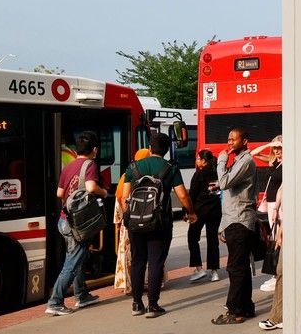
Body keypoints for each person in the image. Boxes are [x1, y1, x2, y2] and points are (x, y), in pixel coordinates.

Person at [119, 131, 195, 318]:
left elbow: (123, 197)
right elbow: (183, 195)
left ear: (150, 148)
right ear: (167, 149)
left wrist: (130, 216)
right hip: (160, 222)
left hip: (136, 223)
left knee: (137, 261)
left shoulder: (133, 167)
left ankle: (137, 304)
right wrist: (191, 212)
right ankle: (153, 305)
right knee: (155, 262)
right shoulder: (170, 169)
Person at [45, 131, 106, 316]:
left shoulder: (68, 166)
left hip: (64, 220)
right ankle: (55, 302)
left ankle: (82, 295)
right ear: (94, 150)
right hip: (78, 224)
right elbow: (91, 187)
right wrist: (102, 192)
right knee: (71, 263)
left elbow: (59, 193)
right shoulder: (90, 165)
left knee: (77, 257)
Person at [211, 127, 258, 325]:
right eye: (228, 139)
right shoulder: (239, 161)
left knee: (235, 268)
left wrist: (221, 160)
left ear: (244, 141)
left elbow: (225, 182)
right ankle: (245, 307)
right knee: (241, 268)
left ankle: (234, 310)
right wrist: (224, 225)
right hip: (234, 221)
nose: (229, 142)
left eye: (233, 139)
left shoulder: (245, 161)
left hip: (239, 221)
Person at [114, 148, 151, 294]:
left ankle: (129, 285)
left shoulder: (127, 175)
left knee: (132, 256)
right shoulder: (150, 174)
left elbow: (120, 199)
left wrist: (119, 220)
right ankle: (149, 282)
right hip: (148, 219)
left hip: (130, 222)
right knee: (148, 253)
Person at [253, 135, 283, 292]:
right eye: (276, 148)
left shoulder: (288, 164)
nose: (277, 151)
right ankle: (276, 272)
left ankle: (278, 273)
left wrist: (277, 208)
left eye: (280, 148)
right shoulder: (274, 162)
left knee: (279, 238)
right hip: (270, 204)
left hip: (278, 206)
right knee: (274, 236)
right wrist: (270, 144)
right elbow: (253, 154)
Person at [187, 149, 222, 282]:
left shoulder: (199, 175)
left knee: (192, 237)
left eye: (197, 159)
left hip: (199, 212)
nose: (196, 161)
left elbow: (192, 195)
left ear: (203, 161)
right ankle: (214, 272)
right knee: (213, 240)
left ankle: (199, 268)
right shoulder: (217, 173)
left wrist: (188, 212)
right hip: (215, 211)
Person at [259, 184, 284, 331]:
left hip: (296, 230)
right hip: (287, 227)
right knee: (281, 273)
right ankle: (278, 316)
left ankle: (278, 317)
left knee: (282, 273)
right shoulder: (288, 171)